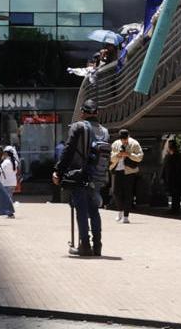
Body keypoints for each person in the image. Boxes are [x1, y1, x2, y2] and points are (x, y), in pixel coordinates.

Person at [55, 100, 109, 257]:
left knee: (82, 210)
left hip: (80, 174)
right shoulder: (105, 131)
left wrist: (58, 171)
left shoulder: (78, 126)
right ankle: (97, 246)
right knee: (94, 211)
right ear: (97, 113)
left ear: (82, 112)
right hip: (97, 176)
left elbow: (68, 150)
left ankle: (84, 245)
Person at [108, 129, 144, 223]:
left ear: (128, 136)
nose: (124, 141)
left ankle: (126, 216)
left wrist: (128, 154)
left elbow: (140, 157)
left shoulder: (134, 143)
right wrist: (118, 154)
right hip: (118, 170)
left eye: (125, 139)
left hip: (129, 171)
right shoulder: (116, 143)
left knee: (128, 194)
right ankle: (120, 211)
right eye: (122, 139)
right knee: (116, 192)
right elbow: (110, 157)